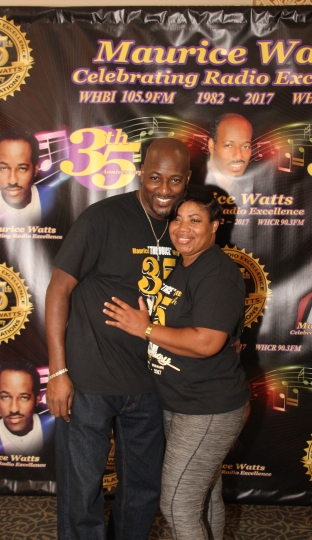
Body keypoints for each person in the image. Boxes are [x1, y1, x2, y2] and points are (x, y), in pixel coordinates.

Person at [45, 138, 191, 540]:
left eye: (175, 180)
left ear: (188, 179)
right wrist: (57, 371)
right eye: (155, 177)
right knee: (81, 496)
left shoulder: (186, 228)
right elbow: (58, 289)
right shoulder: (103, 218)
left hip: (152, 385)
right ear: (140, 173)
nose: (164, 189)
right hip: (90, 383)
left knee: (142, 494)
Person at [104, 185, 250, 540]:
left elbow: (206, 342)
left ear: (215, 225)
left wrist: (145, 329)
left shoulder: (216, 272)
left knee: (177, 504)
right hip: (182, 402)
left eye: (195, 220)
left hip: (207, 408)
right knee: (205, 496)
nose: (183, 228)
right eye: (178, 219)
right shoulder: (185, 266)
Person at [0, 359, 54, 456]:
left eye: (24, 398)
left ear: (37, 399)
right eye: (5, 397)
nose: (14, 409)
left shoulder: (54, 429)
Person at [0, 126, 53, 225]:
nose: (12, 181)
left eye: (22, 168)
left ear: (35, 170)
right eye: (3, 168)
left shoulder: (55, 201)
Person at [205, 113, 253, 194]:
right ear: (212, 146)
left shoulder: (243, 191)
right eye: (228, 145)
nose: (238, 156)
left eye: (245, 146)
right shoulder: (195, 190)